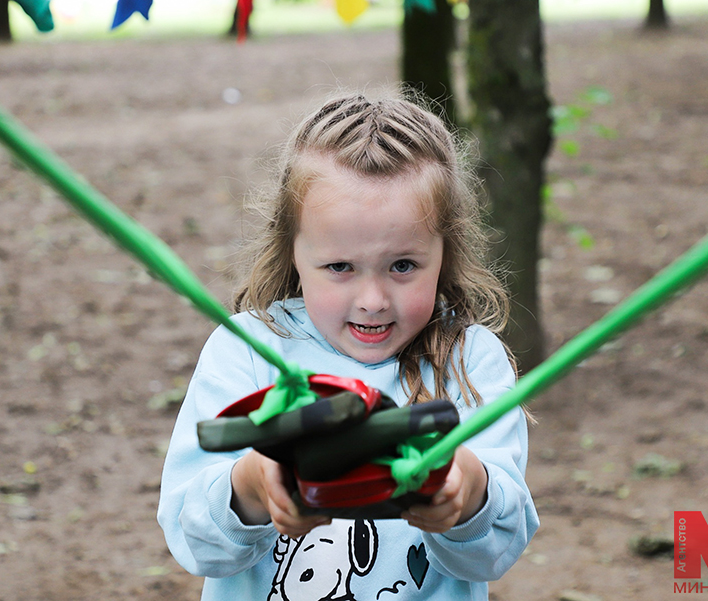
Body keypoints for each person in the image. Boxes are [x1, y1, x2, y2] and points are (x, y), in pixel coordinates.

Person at [157, 90, 539, 600]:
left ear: (444, 253)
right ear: (292, 251)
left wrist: (466, 491)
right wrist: (252, 486)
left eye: (403, 265)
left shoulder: (473, 362)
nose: (374, 300)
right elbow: (192, 539)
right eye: (340, 267)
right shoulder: (246, 349)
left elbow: (494, 553)